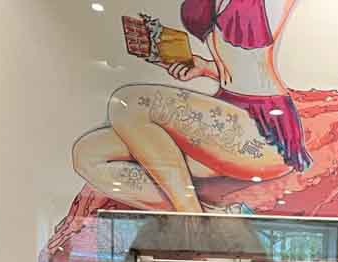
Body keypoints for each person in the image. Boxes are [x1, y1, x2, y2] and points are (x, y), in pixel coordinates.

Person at [72, 0, 311, 213]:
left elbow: (254, 65)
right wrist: (204, 67)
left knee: (128, 101)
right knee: (88, 153)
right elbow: (235, 63)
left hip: (263, 126)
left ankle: (192, 220)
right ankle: (207, 213)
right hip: (222, 113)